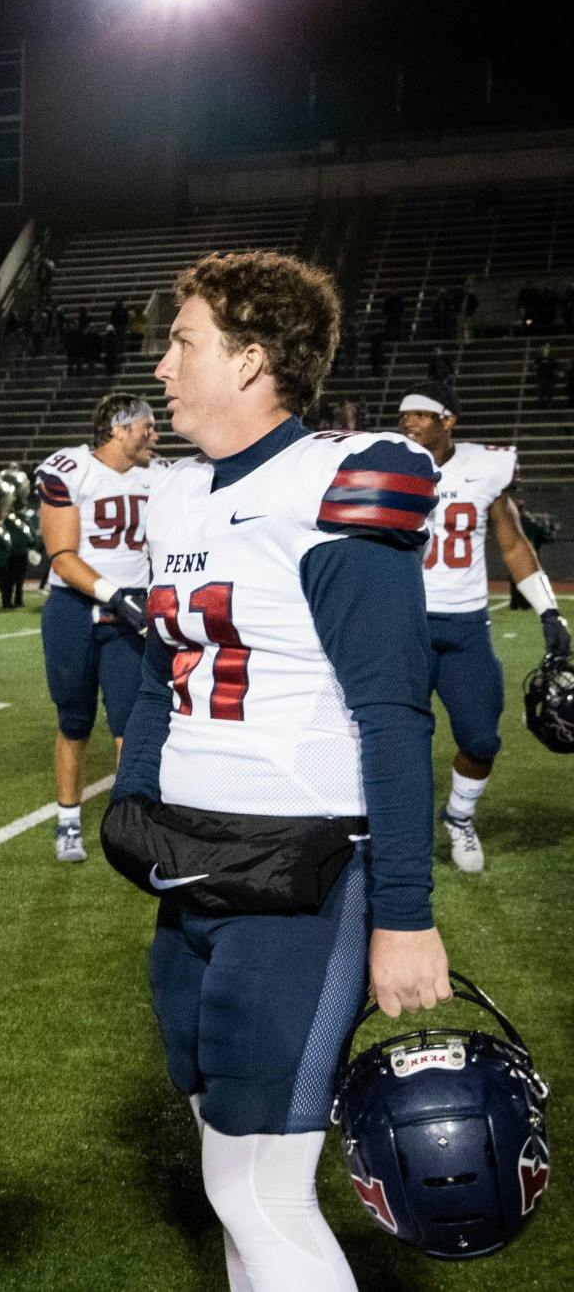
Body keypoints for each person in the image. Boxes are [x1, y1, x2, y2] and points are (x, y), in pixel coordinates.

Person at [107, 252, 450, 1291]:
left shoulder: (334, 484)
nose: (162, 365)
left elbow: (391, 716)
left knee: (260, 1189)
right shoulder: (175, 497)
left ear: (250, 359)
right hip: (191, 865)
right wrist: (134, 801)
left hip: (302, 873)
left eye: (184, 342)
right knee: (229, 1167)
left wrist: (403, 911)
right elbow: (164, 676)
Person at [395, 379, 570, 872]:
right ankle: (386, 829)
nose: (407, 422)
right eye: (403, 415)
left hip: (467, 627)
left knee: (481, 741)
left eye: (420, 414)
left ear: (447, 420)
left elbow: (513, 545)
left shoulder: (484, 467)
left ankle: (459, 817)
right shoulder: (389, 462)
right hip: (405, 624)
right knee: (395, 739)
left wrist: (549, 612)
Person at [34, 394, 160, 863]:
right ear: (118, 429)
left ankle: (127, 821)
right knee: (75, 722)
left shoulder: (162, 475)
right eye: (146, 426)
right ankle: (68, 821)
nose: (154, 434)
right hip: (76, 608)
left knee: (131, 725)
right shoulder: (70, 468)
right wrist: (116, 596)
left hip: (134, 612)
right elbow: (62, 556)